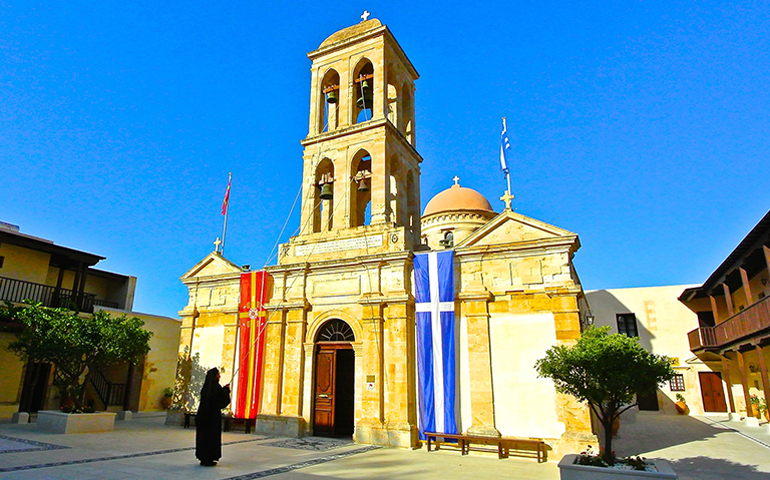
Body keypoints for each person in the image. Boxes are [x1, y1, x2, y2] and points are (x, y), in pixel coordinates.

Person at [196, 367, 231, 466]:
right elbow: (221, 401)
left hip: (203, 416)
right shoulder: (216, 387)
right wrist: (226, 391)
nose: (219, 376)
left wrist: (223, 390)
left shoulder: (206, 388)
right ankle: (209, 458)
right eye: (218, 374)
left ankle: (203, 457)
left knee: (203, 437)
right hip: (212, 417)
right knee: (211, 438)